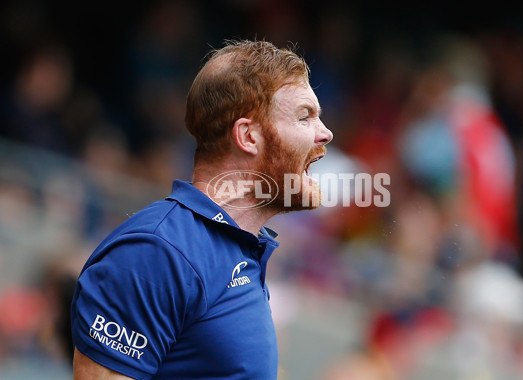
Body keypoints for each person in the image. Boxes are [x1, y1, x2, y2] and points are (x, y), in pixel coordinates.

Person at [71, 39, 333, 379]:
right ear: (248, 136)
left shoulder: (238, 250)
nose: (325, 133)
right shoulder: (157, 252)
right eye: (304, 117)